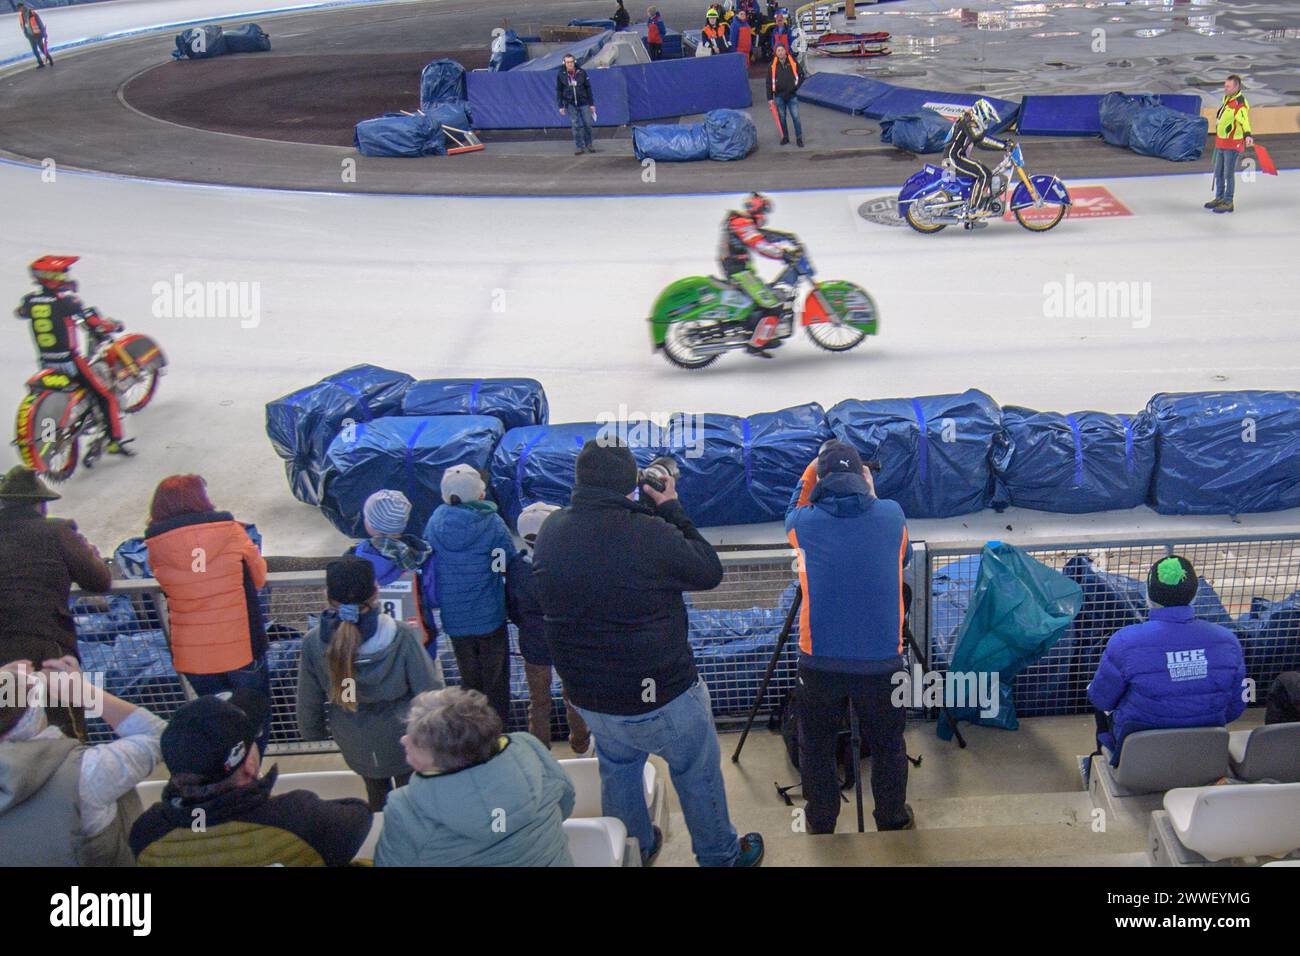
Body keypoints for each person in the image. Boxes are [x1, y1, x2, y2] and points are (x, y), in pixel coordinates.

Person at [532, 439, 764, 867]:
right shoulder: (649, 532)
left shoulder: (552, 531)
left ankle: (633, 848)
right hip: (665, 692)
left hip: (594, 697)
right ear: (632, 484)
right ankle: (720, 856)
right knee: (696, 774)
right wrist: (671, 506)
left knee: (618, 770)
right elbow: (708, 571)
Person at [785, 441, 914, 834]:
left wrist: (811, 471)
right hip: (882, 665)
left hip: (819, 663)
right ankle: (891, 819)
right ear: (862, 477)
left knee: (818, 745)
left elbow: (791, 510)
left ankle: (821, 822)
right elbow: (902, 557)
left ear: (820, 479)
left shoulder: (802, 525)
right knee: (889, 744)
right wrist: (869, 489)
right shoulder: (892, 516)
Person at [130, 690, 372, 865]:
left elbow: (201, 825)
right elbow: (360, 814)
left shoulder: (147, 833)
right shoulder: (299, 816)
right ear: (250, 764)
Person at [296, 557, 444, 811]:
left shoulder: (313, 643)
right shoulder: (401, 635)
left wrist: (313, 732)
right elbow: (427, 688)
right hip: (403, 736)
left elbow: (308, 697)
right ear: (376, 592)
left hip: (354, 739)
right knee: (413, 800)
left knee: (376, 796)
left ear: (328, 596)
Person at [375, 687, 576, 866]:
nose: (404, 740)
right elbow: (565, 805)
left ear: (441, 757)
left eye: (415, 740)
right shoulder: (530, 748)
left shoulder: (404, 808)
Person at [143, 475, 271, 754]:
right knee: (255, 718)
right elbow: (259, 577)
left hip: (194, 655)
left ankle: (229, 773)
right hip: (241, 648)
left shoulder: (155, 545)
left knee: (219, 722)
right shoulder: (230, 530)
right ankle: (250, 772)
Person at [0, 656, 164, 865]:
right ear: (35, 711)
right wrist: (85, 692)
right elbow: (160, 737)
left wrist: (6, 684)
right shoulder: (87, 771)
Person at [1088, 555, 1247, 765]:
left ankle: (1103, 761)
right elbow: (1237, 705)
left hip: (1139, 753)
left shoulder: (1125, 641)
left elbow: (1101, 699)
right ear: (1195, 594)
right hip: (1204, 748)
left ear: (1148, 594)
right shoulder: (1228, 641)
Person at [0, 465, 112, 739]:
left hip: (4, 656)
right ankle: (67, 778)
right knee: (65, 725)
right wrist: (92, 554)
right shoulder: (57, 531)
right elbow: (99, 581)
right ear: (40, 505)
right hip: (48, 646)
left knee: (9, 727)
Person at [422, 464, 517, 725]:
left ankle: (474, 733)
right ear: (479, 494)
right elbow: (503, 561)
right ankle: (499, 731)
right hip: (490, 616)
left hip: (455, 620)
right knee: (496, 681)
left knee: (469, 681)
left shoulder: (435, 522)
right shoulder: (492, 524)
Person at [15, 255, 131, 455]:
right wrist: (112, 325)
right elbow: (94, 323)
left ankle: (51, 437)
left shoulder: (30, 301)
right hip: (70, 361)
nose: (66, 276)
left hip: (46, 362)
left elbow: (21, 312)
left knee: (57, 398)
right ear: (54, 277)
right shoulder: (68, 302)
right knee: (106, 397)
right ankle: (114, 440)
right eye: (63, 273)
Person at [505, 502, 592, 754]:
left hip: (533, 644)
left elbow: (512, 606)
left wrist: (527, 626)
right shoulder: (569, 564)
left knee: (538, 701)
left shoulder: (516, 568)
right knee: (574, 696)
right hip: (568, 643)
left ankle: (540, 750)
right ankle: (581, 742)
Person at [347, 489, 438, 649]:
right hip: (418, 644)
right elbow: (433, 597)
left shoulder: (354, 560)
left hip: (371, 646)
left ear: (369, 523)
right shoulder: (422, 557)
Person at [718, 191, 799, 356]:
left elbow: (763, 235)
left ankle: (764, 336)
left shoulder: (742, 221)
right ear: (758, 209)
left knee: (762, 300)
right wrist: (782, 254)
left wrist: (786, 237)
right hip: (739, 272)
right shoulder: (742, 223)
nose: (764, 216)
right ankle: (756, 345)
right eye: (764, 211)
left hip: (740, 270)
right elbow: (759, 244)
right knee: (773, 304)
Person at [943, 98, 1009, 222]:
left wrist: (1002, 144)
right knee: (984, 174)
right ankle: (974, 209)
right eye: (986, 119)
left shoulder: (967, 118)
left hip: (955, 157)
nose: (986, 122)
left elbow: (982, 137)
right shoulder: (968, 122)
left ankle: (974, 202)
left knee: (979, 168)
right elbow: (980, 141)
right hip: (954, 159)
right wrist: (1003, 146)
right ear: (981, 113)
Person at [1207, 74, 1253, 214]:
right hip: (1221, 143)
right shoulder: (1227, 99)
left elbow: (1244, 121)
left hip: (1232, 145)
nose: (1225, 88)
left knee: (1228, 174)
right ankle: (1219, 197)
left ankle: (1228, 201)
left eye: (1228, 86)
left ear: (1237, 87)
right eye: (1225, 86)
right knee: (1219, 172)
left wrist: (1247, 135)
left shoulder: (1239, 104)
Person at [556, 53, 597, 156]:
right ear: (564, 63)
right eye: (567, 62)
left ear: (574, 62)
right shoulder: (561, 74)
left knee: (587, 123)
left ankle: (589, 144)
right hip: (570, 103)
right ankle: (579, 146)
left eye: (571, 62)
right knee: (575, 125)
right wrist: (560, 105)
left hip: (583, 102)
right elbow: (559, 90)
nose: (570, 64)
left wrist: (591, 104)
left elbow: (588, 88)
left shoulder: (582, 72)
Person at [768, 42, 803, 147]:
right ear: (776, 53)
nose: (780, 52)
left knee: (796, 117)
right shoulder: (772, 66)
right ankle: (785, 137)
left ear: (785, 51)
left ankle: (799, 138)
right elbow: (768, 83)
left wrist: (796, 87)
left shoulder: (793, 62)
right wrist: (770, 98)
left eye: (782, 50)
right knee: (782, 118)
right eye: (778, 50)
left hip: (792, 95)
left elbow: (801, 75)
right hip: (779, 96)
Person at [16, 3, 52, 67]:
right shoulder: (20, 16)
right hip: (30, 36)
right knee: (35, 50)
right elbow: (22, 25)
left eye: (20, 8)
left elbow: (40, 23)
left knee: (42, 49)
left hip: (37, 34)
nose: (20, 10)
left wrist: (43, 33)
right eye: (18, 9)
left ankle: (49, 58)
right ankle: (40, 63)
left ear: (23, 6)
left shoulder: (32, 13)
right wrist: (26, 34)